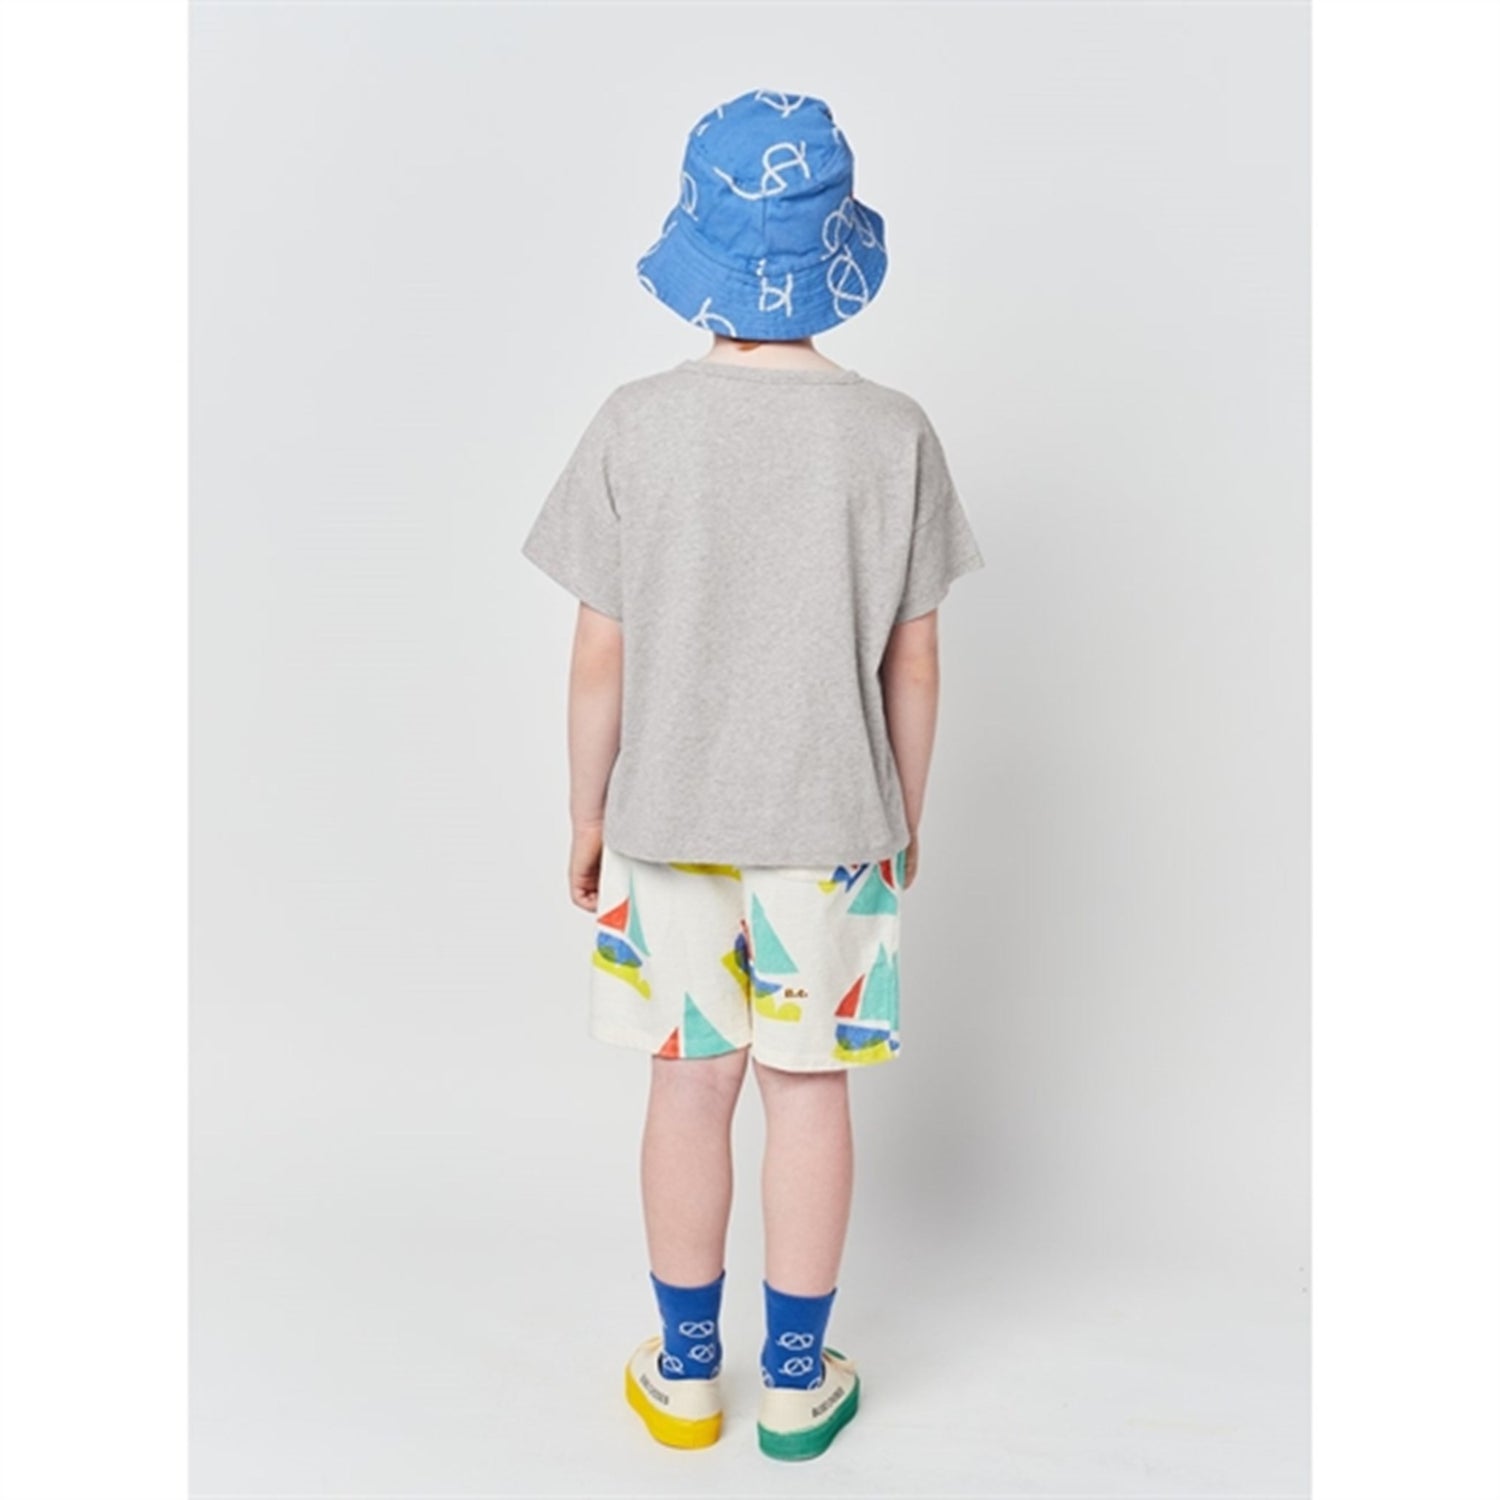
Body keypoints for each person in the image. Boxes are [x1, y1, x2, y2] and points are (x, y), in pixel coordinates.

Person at [521, 87, 984, 1461]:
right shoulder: (893, 434)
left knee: (688, 1087)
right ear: (835, 252)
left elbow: (597, 654)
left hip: (666, 818)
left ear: (696, 250)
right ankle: (795, 1378)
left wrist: (588, 811)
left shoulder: (635, 424)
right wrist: (903, 815)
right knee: (808, 1092)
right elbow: (915, 665)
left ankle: (683, 1373)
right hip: (833, 822)